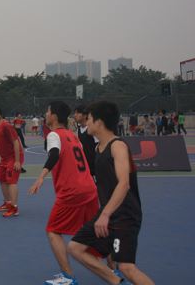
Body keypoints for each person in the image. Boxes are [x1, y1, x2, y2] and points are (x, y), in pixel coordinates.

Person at [68, 101, 154, 285]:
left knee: (127, 267)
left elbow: (124, 184)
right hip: (108, 213)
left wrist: (105, 214)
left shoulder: (117, 146)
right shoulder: (98, 148)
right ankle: (117, 282)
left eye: (89, 119)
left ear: (99, 122)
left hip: (124, 215)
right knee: (75, 247)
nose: (86, 122)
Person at [29, 102, 99, 285]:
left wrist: (41, 177)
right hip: (89, 187)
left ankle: (67, 277)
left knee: (53, 231)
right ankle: (115, 269)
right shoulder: (73, 136)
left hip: (72, 191)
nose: (45, 114)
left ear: (54, 116)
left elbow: (54, 154)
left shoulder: (54, 135)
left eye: (47, 111)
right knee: (96, 231)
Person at [0, 107, 24, 217]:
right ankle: (7, 203)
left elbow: (16, 142)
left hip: (14, 157)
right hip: (4, 158)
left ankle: (14, 208)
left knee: (11, 181)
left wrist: (17, 161)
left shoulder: (6, 126)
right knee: (2, 180)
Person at [74, 105, 97, 177]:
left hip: (94, 167)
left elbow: (99, 146)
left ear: (85, 115)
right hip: (84, 166)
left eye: (77, 113)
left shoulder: (92, 129)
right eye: (75, 113)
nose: (75, 115)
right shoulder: (78, 130)